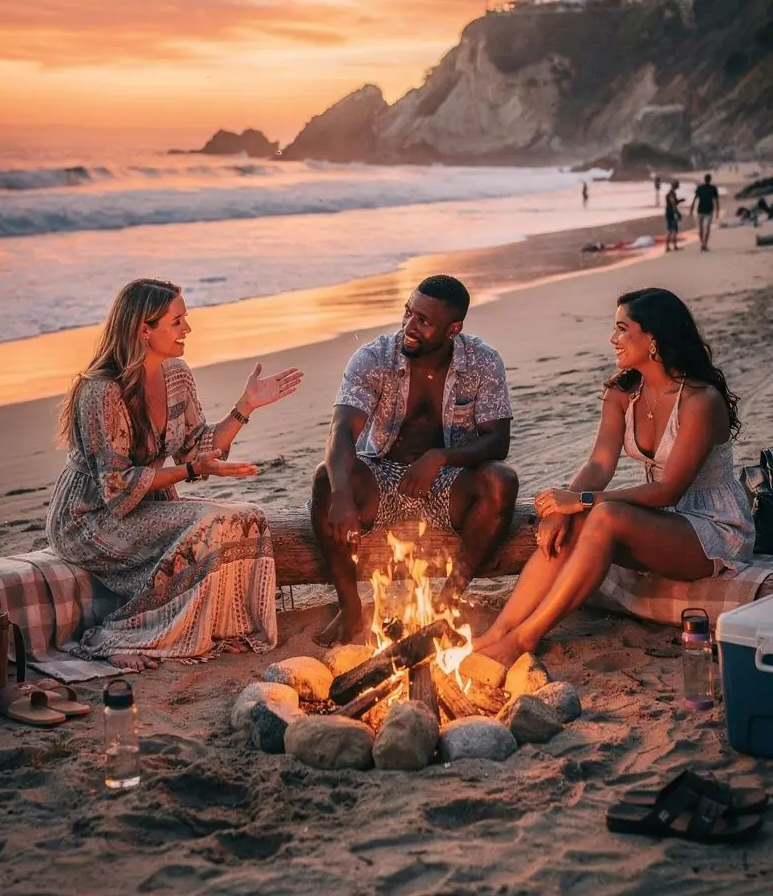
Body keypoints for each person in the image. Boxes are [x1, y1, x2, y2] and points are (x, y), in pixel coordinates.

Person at [474, 287, 754, 669]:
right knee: (575, 518)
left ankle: (525, 638)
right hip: (660, 521)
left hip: (712, 528)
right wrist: (564, 504)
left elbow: (669, 489)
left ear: (652, 338)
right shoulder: (623, 392)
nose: (613, 339)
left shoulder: (700, 401)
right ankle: (497, 632)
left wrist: (585, 501)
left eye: (622, 329)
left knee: (602, 515)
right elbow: (599, 464)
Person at [47, 278, 303, 666]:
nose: (188, 329)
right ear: (143, 329)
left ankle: (222, 627)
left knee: (248, 517)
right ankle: (116, 638)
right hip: (90, 518)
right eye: (178, 321)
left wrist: (246, 406)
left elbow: (200, 446)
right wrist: (191, 471)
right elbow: (117, 488)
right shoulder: (101, 391)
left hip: (146, 502)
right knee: (211, 523)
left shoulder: (176, 375)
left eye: (186, 319)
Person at [310, 274, 518, 643]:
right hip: (382, 474)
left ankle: (447, 603)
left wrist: (440, 457)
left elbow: (497, 441)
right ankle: (350, 609)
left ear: (454, 328)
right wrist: (342, 495)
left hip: (449, 480)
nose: (409, 326)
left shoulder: (483, 361)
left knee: (502, 480)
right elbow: (341, 431)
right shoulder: (374, 356)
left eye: (424, 321)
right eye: (408, 313)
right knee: (327, 479)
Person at [690, 172, 720, 251]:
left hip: (700, 210)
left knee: (701, 228)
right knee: (707, 228)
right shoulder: (713, 188)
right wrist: (717, 211)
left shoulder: (700, 188)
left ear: (704, 179)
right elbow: (716, 200)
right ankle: (704, 244)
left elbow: (694, 199)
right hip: (709, 210)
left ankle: (702, 244)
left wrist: (691, 209)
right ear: (710, 180)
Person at [664, 180, 683, 251]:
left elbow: (674, 202)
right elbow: (673, 204)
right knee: (674, 229)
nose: (678, 186)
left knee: (670, 229)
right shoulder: (672, 194)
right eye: (678, 185)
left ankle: (668, 246)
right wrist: (677, 213)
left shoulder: (670, 193)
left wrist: (680, 200)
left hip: (668, 212)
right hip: (672, 212)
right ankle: (673, 246)